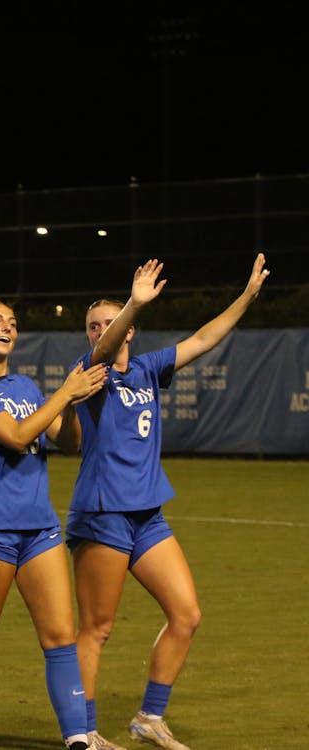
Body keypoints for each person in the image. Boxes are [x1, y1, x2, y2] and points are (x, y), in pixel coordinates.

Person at [67, 255, 270, 750]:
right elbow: (103, 352)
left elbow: (203, 339)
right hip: (103, 514)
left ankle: (149, 718)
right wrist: (133, 303)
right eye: (93, 325)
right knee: (96, 628)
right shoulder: (90, 373)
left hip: (147, 514)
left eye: (109, 323)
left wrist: (245, 298)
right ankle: (85, 731)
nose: (102, 331)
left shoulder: (146, 369)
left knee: (187, 614)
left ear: (131, 331)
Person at [0, 299, 107, 750]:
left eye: (13, 323)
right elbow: (18, 438)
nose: (7, 327)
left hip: (40, 528)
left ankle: (77, 737)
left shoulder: (27, 385)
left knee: (59, 636)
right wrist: (65, 393)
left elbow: (70, 442)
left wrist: (71, 403)